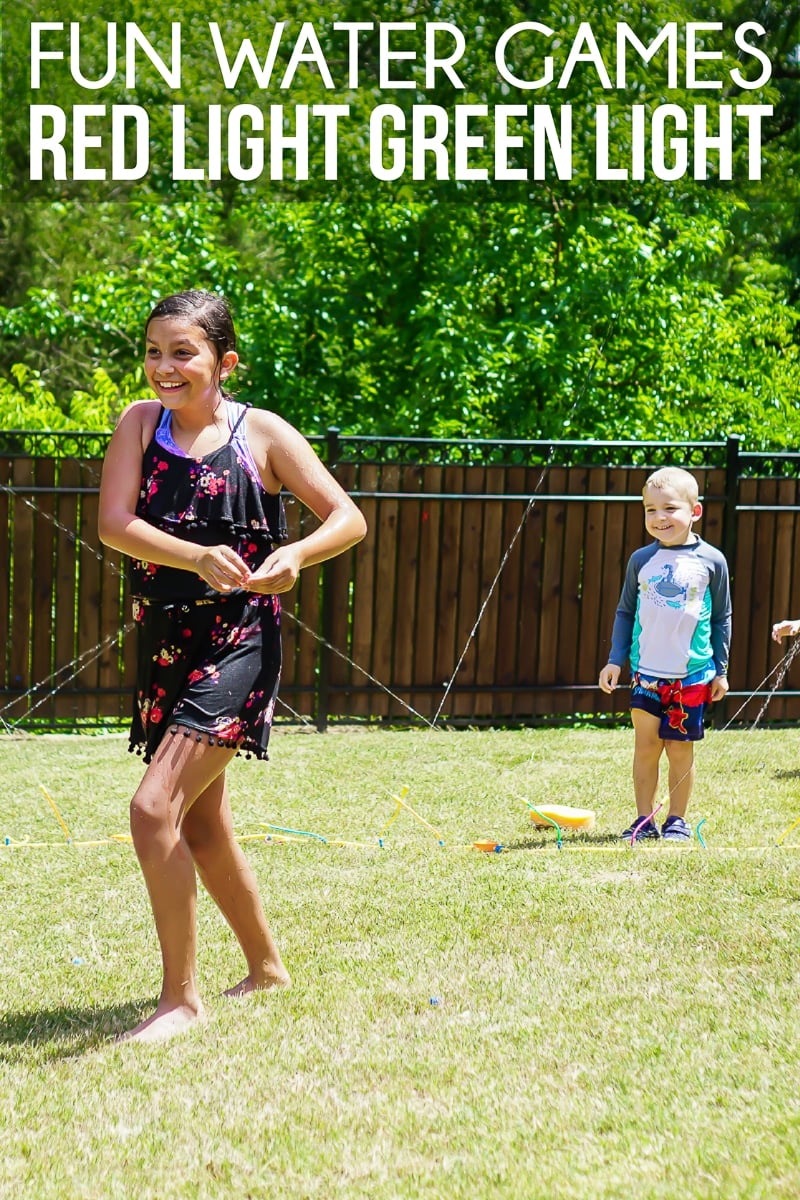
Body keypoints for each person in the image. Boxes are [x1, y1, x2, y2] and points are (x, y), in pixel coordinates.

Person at [98, 290, 367, 1042]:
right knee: (204, 822)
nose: (163, 367)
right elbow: (114, 523)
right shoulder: (138, 425)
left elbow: (348, 517)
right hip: (166, 642)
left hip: (239, 641)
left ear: (224, 361)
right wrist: (192, 556)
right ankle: (268, 968)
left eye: (182, 352)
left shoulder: (265, 435)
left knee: (154, 810)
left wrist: (294, 554)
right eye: (153, 352)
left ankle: (180, 1001)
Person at [598, 467, 731, 842]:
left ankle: (677, 820)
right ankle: (644, 820)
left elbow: (722, 617)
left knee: (679, 750)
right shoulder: (641, 560)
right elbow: (625, 611)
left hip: (692, 676)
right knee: (646, 747)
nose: (659, 518)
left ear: (695, 511)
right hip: (646, 674)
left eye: (670, 508)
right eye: (650, 510)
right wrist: (614, 659)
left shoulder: (711, 561)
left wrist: (721, 670)